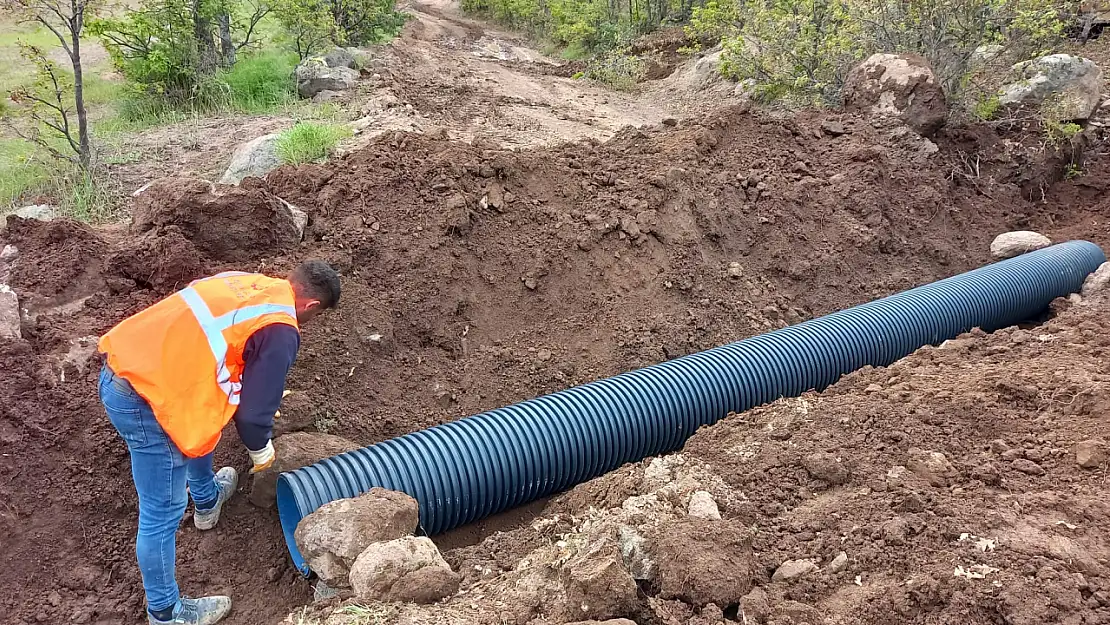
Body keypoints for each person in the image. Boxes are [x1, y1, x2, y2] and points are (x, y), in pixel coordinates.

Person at [97, 260, 341, 625]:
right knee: (161, 511)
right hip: (145, 400)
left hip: (129, 364)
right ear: (312, 307)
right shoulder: (281, 329)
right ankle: (166, 612)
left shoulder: (247, 283)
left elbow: (211, 348)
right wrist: (262, 452)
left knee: (210, 407)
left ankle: (207, 499)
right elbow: (253, 415)